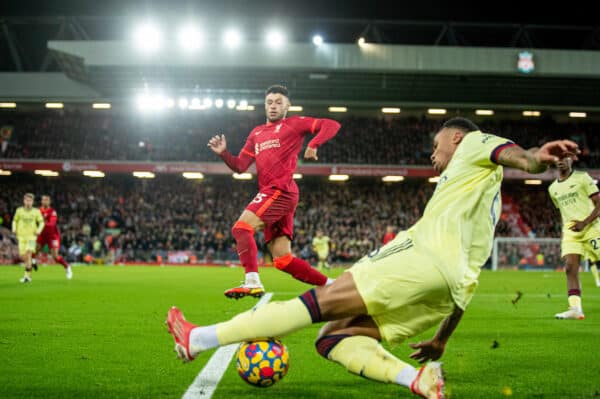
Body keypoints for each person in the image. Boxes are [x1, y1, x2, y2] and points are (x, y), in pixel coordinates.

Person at [169, 117, 578, 398]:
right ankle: (417, 380)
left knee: (316, 306)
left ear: (455, 139)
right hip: (446, 294)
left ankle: (199, 339)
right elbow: (464, 288)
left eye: (435, 147)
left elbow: (519, 157)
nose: (432, 156)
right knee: (331, 338)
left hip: (420, 258)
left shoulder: (472, 142)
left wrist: (535, 158)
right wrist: (440, 340)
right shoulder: (480, 196)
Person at [208, 85, 340, 299]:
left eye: (279, 102)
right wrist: (224, 153)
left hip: (280, 190)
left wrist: (314, 143)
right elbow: (241, 166)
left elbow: (332, 124)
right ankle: (332, 284)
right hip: (275, 192)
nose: (273, 106)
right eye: (269, 102)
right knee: (282, 260)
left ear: (288, 106)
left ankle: (252, 281)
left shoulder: (294, 124)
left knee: (241, 228)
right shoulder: (257, 133)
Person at [548, 157, 600, 319]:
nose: (561, 161)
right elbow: (565, 212)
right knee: (570, 268)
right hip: (571, 232)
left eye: (565, 158)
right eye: (558, 158)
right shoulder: (553, 188)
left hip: (591, 228)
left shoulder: (582, 178)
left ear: (571, 160)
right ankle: (575, 309)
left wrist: (584, 222)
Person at [33, 195, 73, 279]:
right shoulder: (38, 211)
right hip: (42, 235)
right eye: (43, 200)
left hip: (52, 236)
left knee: (55, 256)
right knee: (35, 250)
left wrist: (42, 223)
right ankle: (33, 262)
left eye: (47, 200)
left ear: (49, 202)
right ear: (41, 201)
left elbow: (52, 224)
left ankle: (67, 267)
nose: (45, 201)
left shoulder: (52, 211)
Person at [12, 193, 44, 283]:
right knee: (23, 257)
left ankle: (27, 277)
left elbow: (41, 222)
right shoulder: (19, 211)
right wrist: (14, 228)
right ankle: (32, 262)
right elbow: (15, 220)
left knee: (28, 253)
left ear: (32, 202)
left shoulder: (36, 211)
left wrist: (38, 230)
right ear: (24, 201)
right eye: (26, 200)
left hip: (32, 237)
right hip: (21, 237)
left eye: (30, 200)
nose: (28, 202)